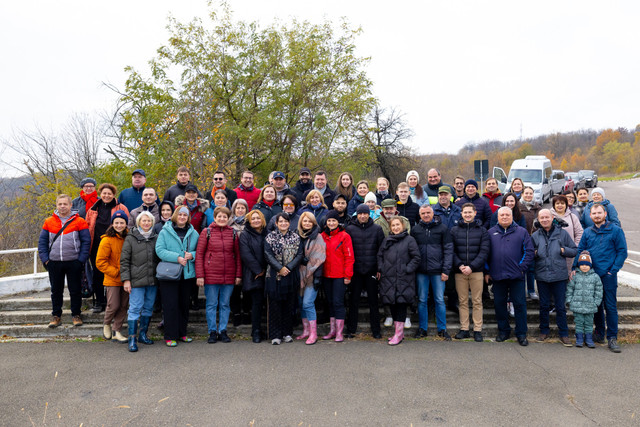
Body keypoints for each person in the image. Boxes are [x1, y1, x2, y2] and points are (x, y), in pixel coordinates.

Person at [573, 203, 627, 353]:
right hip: (591, 276)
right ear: (590, 216)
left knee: (610, 307)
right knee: (595, 306)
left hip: (608, 275)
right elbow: (580, 250)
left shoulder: (616, 231)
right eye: (594, 213)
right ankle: (599, 333)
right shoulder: (587, 232)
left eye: (599, 213)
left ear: (605, 214)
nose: (596, 215)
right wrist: (574, 268)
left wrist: (612, 270)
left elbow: (622, 252)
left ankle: (612, 338)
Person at [38, 194, 91, 328]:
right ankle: (56, 316)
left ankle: (76, 315)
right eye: (60, 204)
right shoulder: (49, 221)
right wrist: (46, 260)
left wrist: (81, 260)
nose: (62, 206)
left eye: (65, 204)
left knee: (75, 290)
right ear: (56, 205)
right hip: (54, 262)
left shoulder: (80, 221)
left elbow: (86, 242)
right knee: (56, 290)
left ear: (70, 205)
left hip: (74, 261)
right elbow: (42, 243)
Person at [487, 206, 534, 346]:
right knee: (499, 304)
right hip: (498, 276)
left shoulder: (522, 232)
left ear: (512, 216)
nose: (505, 217)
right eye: (502, 215)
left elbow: (529, 252)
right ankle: (503, 331)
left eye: (507, 215)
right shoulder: (490, 232)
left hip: (516, 276)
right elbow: (486, 254)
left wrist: (521, 268)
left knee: (519, 305)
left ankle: (521, 333)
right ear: (498, 217)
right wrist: (487, 271)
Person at [531, 209, 578, 347]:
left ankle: (564, 334)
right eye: (542, 218)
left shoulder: (562, 233)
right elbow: (528, 252)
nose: (544, 219)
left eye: (547, 217)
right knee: (544, 305)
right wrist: (534, 253)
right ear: (538, 220)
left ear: (552, 218)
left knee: (560, 307)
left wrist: (564, 250)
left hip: (559, 275)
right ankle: (544, 331)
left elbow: (574, 250)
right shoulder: (535, 235)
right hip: (542, 276)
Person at [196, 206, 242, 344]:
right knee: (211, 304)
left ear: (229, 219)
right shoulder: (207, 232)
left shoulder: (233, 233)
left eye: (225, 217)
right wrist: (200, 275)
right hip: (210, 275)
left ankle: (223, 330)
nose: (222, 219)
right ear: (215, 218)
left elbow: (238, 256)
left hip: (228, 274)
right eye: (219, 216)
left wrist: (238, 275)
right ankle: (212, 331)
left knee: (225, 304)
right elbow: (199, 254)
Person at [155, 206, 199, 347]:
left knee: (184, 305)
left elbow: (201, 250)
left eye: (184, 215)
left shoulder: (194, 233)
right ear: (175, 216)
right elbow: (160, 250)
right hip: (169, 274)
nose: (181, 217)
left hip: (187, 274)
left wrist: (192, 255)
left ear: (188, 218)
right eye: (179, 214)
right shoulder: (165, 231)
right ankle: (170, 335)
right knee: (170, 305)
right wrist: (177, 257)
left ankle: (182, 333)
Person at [411, 205, 454, 340]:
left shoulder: (442, 229)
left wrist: (446, 270)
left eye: (428, 212)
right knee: (422, 300)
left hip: (438, 271)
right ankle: (422, 328)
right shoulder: (415, 230)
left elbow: (448, 250)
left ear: (433, 213)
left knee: (439, 300)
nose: (426, 215)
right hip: (421, 272)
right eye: (423, 213)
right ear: (420, 215)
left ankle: (442, 329)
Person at [86, 183, 130, 313]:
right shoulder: (93, 208)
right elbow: (87, 226)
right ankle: (100, 301)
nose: (106, 195)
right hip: (97, 245)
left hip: (116, 244)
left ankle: (118, 303)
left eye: (109, 193)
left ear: (113, 194)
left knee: (117, 271)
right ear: (100, 194)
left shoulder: (121, 207)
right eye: (104, 193)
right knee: (98, 273)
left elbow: (128, 225)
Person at [377, 217, 421, 345]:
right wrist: (381, 268)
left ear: (403, 226)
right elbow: (379, 256)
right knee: (393, 305)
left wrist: (407, 269)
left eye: (398, 225)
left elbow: (416, 257)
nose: (396, 227)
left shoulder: (409, 240)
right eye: (393, 226)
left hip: (404, 278)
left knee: (401, 305)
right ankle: (398, 333)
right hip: (389, 278)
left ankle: (398, 334)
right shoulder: (387, 240)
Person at [450, 203, 490, 342]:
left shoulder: (482, 231)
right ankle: (464, 328)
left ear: (475, 213)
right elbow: (451, 250)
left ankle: (477, 329)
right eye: (465, 212)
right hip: (460, 272)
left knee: (477, 301)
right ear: (461, 214)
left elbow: (484, 251)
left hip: (476, 271)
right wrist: (460, 265)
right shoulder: (454, 230)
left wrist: (472, 267)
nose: (467, 214)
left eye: (470, 212)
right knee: (462, 301)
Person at [345, 204, 385, 339]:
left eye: (365, 214)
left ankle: (376, 330)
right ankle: (351, 329)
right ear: (357, 214)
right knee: (353, 301)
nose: (363, 216)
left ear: (369, 214)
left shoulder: (377, 229)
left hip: (371, 270)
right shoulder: (350, 229)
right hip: (355, 270)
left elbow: (381, 250)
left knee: (373, 301)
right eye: (360, 213)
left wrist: (379, 268)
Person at [120, 211, 159, 352]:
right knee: (135, 308)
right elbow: (124, 261)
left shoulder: (156, 237)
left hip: (152, 280)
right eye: (144, 220)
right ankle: (132, 338)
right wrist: (126, 280)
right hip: (136, 281)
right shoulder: (131, 238)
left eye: (149, 221)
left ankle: (143, 334)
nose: (146, 223)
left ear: (152, 223)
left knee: (148, 307)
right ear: (138, 222)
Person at [264, 212, 304, 345]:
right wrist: (279, 268)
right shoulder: (270, 237)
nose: (283, 224)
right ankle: (276, 335)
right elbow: (267, 254)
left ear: (289, 223)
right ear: (276, 223)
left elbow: (299, 254)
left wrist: (288, 267)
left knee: (289, 305)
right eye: (280, 221)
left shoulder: (295, 236)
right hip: (274, 276)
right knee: (275, 306)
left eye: (285, 221)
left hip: (291, 275)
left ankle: (287, 333)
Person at [95, 210, 129, 343]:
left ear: (126, 224)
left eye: (122, 222)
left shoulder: (129, 238)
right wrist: (116, 272)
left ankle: (117, 330)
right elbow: (100, 262)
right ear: (112, 224)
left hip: (127, 278)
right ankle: (107, 323)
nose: (119, 225)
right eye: (117, 222)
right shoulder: (106, 240)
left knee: (123, 305)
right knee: (113, 305)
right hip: (112, 278)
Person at [321, 210, 354, 342]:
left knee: (338, 302)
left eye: (333, 221)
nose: (331, 223)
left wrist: (348, 275)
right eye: (329, 221)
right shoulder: (322, 236)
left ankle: (339, 332)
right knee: (330, 302)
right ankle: (332, 330)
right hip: (326, 275)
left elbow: (349, 257)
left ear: (337, 222)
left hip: (340, 275)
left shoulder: (344, 236)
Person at [296, 212, 327, 345]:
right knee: (302, 303)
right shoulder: (297, 236)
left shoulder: (318, 237)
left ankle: (314, 333)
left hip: (312, 275)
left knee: (308, 303)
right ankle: (306, 331)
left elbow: (320, 258)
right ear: (301, 223)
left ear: (314, 223)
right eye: (305, 221)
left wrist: (317, 277)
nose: (307, 223)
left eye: (309, 221)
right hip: (299, 275)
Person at [239, 210, 268, 343]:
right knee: (256, 303)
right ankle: (255, 331)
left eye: (258, 218)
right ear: (249, 221)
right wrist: (258, 270)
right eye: (253, 218)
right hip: (253, 274)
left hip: (268, 273)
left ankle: (268, 329)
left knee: (266, 303)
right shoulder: (245, 235)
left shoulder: (267, 233)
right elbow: (246, 254)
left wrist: (266, 270)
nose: (256, 220)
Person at [566, 252, 603, 348]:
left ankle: (589, 339)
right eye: (582, 264)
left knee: (589, 323)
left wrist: (596, 303)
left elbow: (598, 291)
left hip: (590, 306)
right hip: (577, 305)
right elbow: (570, 289)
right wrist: (569, 300)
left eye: (587, 265)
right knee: (578, 323)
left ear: (590, 265)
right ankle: (579, 339)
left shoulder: (595, 277)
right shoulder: (575, 276)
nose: (584, 267)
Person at [228, 198, 249, 326]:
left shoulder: (250, 223)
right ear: (234, 209)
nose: (240, 210)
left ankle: (246, 312)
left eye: (242, 208)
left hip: (247, 260)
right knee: (234, 290)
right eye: (238, 208)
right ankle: (235, 313)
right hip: (233, 260)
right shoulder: (228, 223)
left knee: (247, 288)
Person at [550, 194, 583, 270]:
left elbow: (579, 232)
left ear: (566, 205)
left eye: (562, 203)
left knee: (568, 273)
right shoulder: (549, 216)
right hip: (552, 252)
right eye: (557, 203)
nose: (560, 205)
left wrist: (575, 246)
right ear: (554, 205)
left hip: (568, 252)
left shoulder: (572, 217)